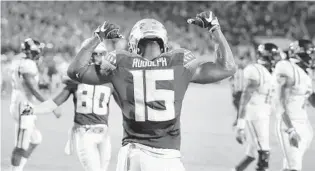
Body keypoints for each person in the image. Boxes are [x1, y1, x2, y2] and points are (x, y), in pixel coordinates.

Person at [67, 11, 236, 171]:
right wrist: (215, 30)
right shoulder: (180, 63)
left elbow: (76, 71)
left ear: (134, 44)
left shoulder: (121, 63)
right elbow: (227, 68)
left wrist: (97, 38)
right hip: (169, 157)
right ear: (164, 44)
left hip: (134, 155)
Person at [22, 43, 113, 171]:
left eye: (100, 53)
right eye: (94, 53)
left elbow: (126, 102)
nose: (97, 57)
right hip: (84, 133)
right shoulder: (76, 79)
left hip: (104, 134)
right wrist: (34, 109)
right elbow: (55, 102)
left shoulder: (110, 79)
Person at [9, 38, 59, 171]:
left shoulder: (19, 61)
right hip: (23, 105)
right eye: (37, 50)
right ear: (32, 52)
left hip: (21, 101)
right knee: (21, 145)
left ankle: (18, 168)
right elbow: (33, 89)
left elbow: (29, 84)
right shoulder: (28, 64)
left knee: (36, 138)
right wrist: (51, 106)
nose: (39, 53)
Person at [233, 43, 281, 171]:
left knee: (251, 155)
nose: (277, 59)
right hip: (254, 115)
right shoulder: (255, 70)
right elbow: (245, 97)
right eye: (274, 56)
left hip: (264, 116)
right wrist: (240, 125)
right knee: (264, 153)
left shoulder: (272, 72)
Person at [274, 39, 314, 171]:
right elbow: (279, 102)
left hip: (304, 125)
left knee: (289, 166)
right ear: (299, 54)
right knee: (294, 167)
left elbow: (310, 98)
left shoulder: (305, 73)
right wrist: (290, 129)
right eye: (310, 54)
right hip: (289, 124)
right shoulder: (287, 68)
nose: (312, 57)